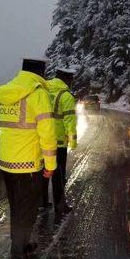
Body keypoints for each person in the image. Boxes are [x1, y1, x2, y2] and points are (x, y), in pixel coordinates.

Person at [0, 58, 57, 259]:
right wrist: (51, 164)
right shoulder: (37, 94)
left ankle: (22, 246)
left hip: (7, 163)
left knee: (17, 208)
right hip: (28, 165)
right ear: (41, 73)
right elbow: (48, 133)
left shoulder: (7, 92)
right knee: (27, 212)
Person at [46, 67, 78, 220]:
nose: (71, 82)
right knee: (58, 176)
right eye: (71, 79)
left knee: (45, 173)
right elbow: (69, 122)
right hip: (58, 144)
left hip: (44, 141)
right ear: (66, 79)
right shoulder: (66, 96)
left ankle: (43, 201)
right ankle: (60, 207)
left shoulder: (44, 92)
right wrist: (73, 142)